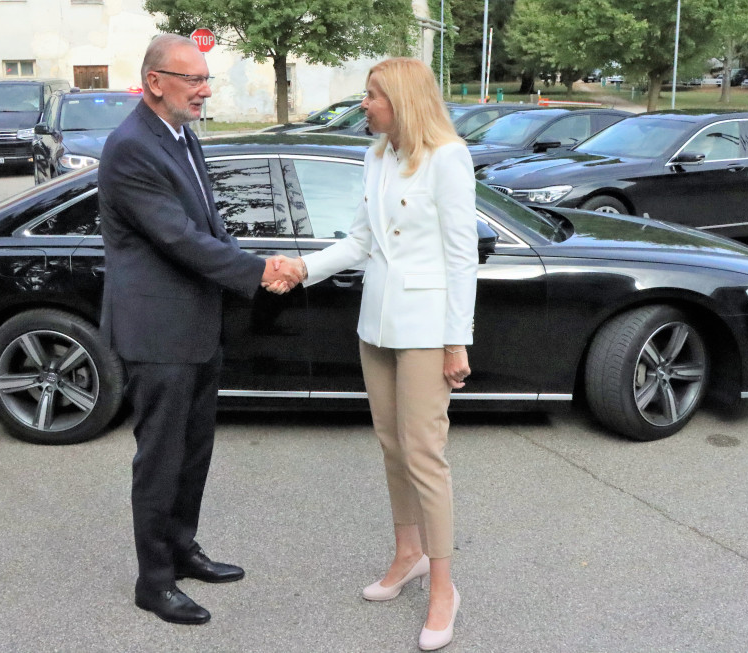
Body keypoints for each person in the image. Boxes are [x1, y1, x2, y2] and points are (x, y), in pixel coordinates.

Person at [97, 33, 302, 626]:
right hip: (158, 333)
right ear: (156, 82)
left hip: (195, 325)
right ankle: (154, 580)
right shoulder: (132, 147)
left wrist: (249, 261)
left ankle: (182, 549)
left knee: (194, 452)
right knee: (160, 459)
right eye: (193, 80)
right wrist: (258, 272)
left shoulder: (182, 136)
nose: (205, 90)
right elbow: (177, 238)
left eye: (205, 79)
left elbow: (208, 224)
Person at [278, 58, 477, 651]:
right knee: (393, 447)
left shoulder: (448, 157)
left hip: (425, 331)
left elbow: (461, 256)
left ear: (401, 99)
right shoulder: (377, 155)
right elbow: (362, 240)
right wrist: (303, 268)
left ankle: (444, 587)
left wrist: (455, 339)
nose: (363, 104)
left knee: (425, 454)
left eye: (371, 96)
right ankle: (407, 555)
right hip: (378, 325)